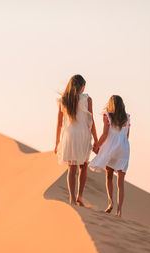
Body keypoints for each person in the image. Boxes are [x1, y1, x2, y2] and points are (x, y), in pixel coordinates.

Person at [54, 74, 98, 206]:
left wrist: (57, 142)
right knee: (83, 166)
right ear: (82, 87)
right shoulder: (87, 99)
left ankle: (72, 199)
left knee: (71, 169)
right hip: (83, 134)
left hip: (70, 135)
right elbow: (91, 121)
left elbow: (59, 123)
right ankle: (80, 196)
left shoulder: (64, 100)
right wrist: (96, 139)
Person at [90, 95, 130, 217]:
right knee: (121, 182)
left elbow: (105, 134)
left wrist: (97, 146)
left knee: (109, 176)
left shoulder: (107, 116)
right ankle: (119, 211)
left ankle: (110, 203)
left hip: (111, 148)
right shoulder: (127, 118)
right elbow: (127, 136)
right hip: (124, 149)